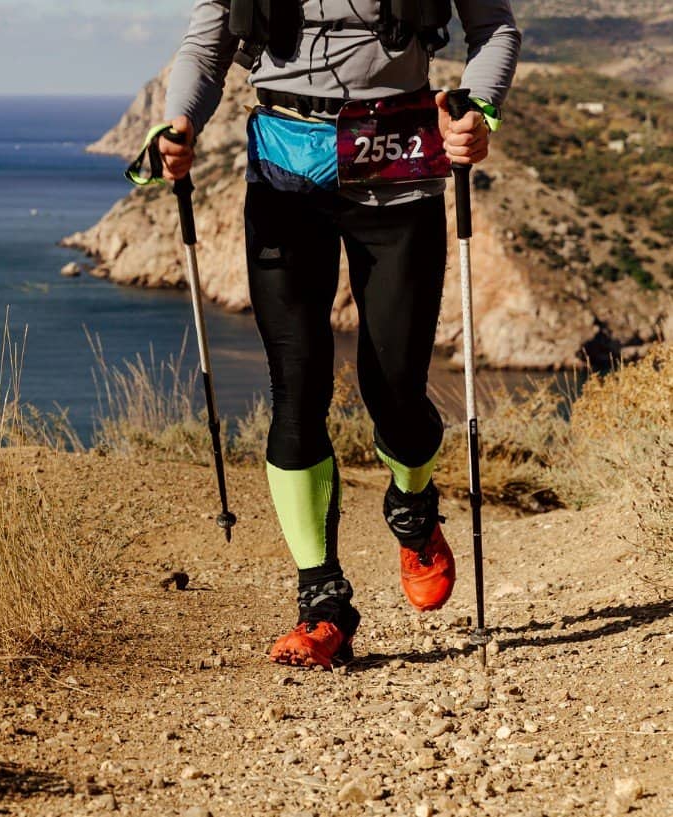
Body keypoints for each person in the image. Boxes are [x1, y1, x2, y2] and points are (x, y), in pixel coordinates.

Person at [157, 0, 521, 668]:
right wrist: (179, 121)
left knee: (395, 387)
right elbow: (207, 47)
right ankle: (322, 606)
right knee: (295, 388)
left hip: (400, 159)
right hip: (285, 164)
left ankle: (413, 510)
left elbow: (494, 28)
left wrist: (479, 109)